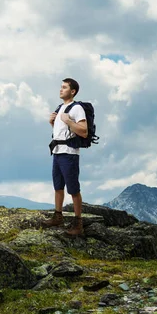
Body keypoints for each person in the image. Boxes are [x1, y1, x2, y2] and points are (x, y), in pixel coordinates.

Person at [42, 78, 88, 235]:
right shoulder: (61, 107)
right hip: (57, 151)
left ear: (72, 91)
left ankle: (78, 224)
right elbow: (60, 130)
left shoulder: (77, 108)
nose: (61, 90)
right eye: (60, 87)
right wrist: (52, 123)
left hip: (69, 153)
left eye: (64, 87)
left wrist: (68, 121)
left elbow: (83, 131)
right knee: (58, 186)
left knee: (73, 189)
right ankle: (58, 216)